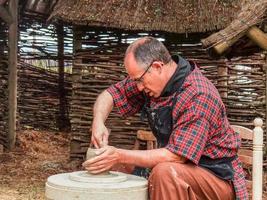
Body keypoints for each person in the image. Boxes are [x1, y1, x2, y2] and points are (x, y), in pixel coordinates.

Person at [82, 37, 248, 200]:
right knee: (112, 164)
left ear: (157, 66)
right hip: (177, 165)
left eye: (140, 80)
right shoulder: (150, 78)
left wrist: (119, 154)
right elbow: (110, 94)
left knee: (165, 173)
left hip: (216, 176)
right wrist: (98, 121)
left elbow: (176, 156)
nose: (138, 87)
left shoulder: (198, 94)